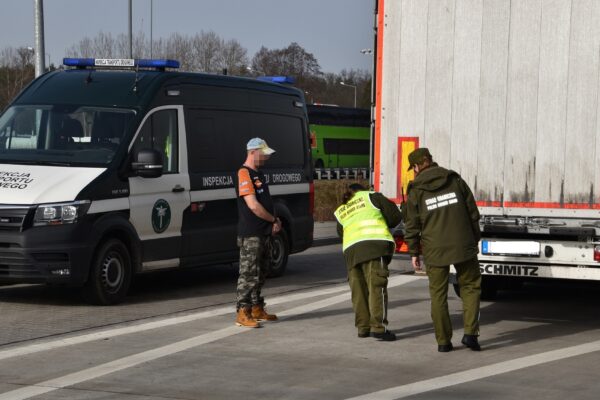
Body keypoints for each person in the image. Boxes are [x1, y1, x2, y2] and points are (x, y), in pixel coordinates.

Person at [403, 148, 482, 352]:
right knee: (471, 287)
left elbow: (411, 224)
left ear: (419, 166)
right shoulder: (454, 180)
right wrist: (475, 239)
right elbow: (473, 212)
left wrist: (414, 253)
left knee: (438, 295)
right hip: (463, 244)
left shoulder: (416, 190)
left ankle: (443, 342)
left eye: (414, 168)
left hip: (434, 249)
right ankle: (471, 335)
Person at [334, 183, 402, 341]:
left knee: (359, 292)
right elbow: (395, 217)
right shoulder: (372, 197)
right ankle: (378, 328)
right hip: (373, 247)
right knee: (376, 287)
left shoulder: (343, 209)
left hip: (351, 252)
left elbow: (340, 232)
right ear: (363, 190)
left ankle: (363, 328)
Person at [234, 137, 282, 328]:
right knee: (248, 273)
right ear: (253, 152)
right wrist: (272, 219)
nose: (266, 158)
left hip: (263, 232)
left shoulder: (259, 174)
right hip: (251, 233)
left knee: (261, 271)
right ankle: (242, 311)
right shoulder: (244, 173)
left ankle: (256, 308)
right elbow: (253, 205)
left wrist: (274, 221)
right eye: (264, 154)